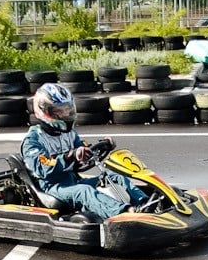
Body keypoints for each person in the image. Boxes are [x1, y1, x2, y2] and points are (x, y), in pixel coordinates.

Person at [21, 83, 148, 219]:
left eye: (67, 109)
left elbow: (83, 150)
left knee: (114, 177)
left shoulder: (68, 133)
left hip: (73, 180)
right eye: (59, 111)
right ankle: (126, 214)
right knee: (85, 191)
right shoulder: (33, 140)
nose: (65, 114)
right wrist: (70, 156)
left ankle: (147, 204)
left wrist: (103, 146)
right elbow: (43, 167)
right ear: (44, 111)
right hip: (52, 187)